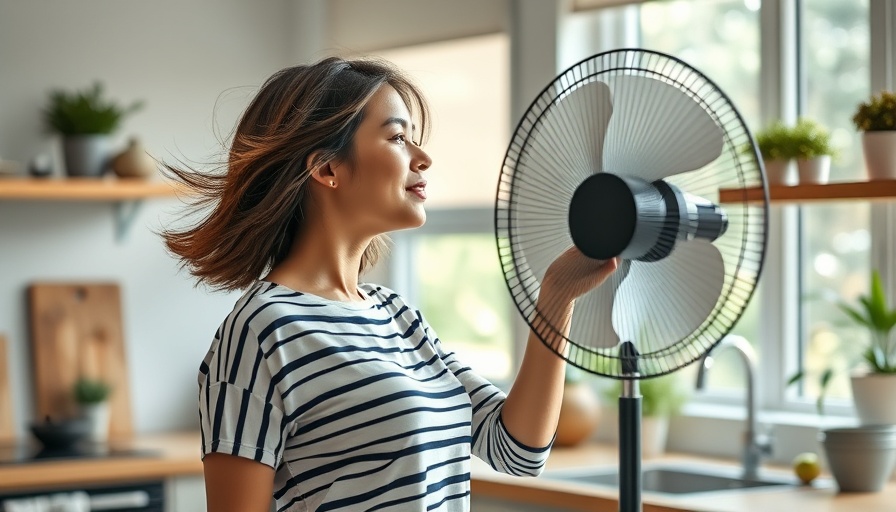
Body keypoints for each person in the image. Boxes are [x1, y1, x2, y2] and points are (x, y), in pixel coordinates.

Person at [162, 56, 619, 512]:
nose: (423, 157)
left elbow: (517, 449)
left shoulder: (397, 315)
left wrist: (556, 297)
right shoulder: (262, 332)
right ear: (327, 169)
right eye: (398, 137)